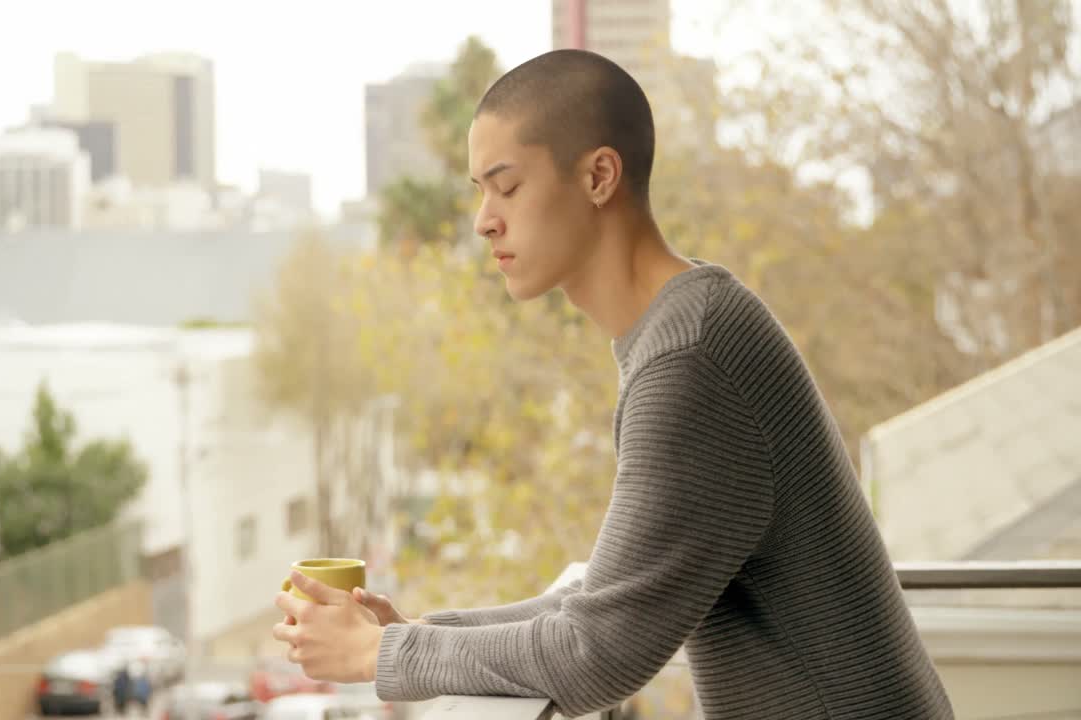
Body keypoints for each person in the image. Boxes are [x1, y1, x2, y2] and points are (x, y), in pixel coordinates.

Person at [273, 49, 954, 719]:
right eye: (478, 191)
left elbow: (595, 654)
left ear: (599, 176)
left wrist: (381, 655)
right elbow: (605, 599)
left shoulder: (691, 360)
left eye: (506, 186)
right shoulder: (692, 323)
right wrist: (417, 632)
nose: (483, 218)